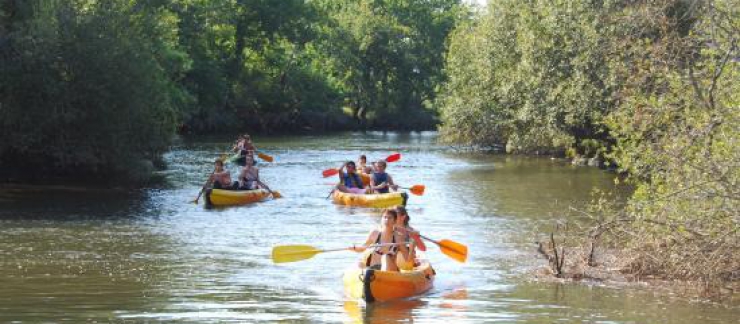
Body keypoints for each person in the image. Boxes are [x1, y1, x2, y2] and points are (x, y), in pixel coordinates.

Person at [393, 206, 427, 270]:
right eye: (392, 213)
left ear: (403, 217)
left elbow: (423, 248)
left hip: (407, 261)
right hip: (393, 259)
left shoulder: (411, 231)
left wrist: (416, 238)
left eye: (395, 214)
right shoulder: (389, 228)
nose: (393, 216)